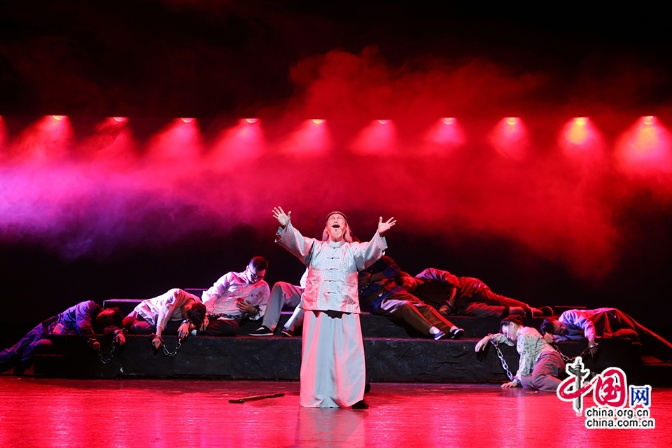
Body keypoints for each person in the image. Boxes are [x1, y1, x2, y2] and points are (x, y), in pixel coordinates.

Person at [273, 206, 395, 409]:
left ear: (345, 228)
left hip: (345, 307)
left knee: (349, 353)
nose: (336, 219)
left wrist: (379, 234)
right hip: (317, 307)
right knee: (316, 354)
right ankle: (316, 394)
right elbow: (298, 243)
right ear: (327, 228)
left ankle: (352, 397)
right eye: (332, 218)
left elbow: (369, 253)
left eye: (340, 218)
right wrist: (287, 226)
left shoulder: (353, 250)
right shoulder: (315, 247)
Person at [1, 301, 125, 374]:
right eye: (104, 315)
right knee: (16, 350)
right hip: (48, 329)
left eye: (105, 321)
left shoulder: (101, 325)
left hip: (58, 339)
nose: (102, 319)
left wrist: (118, 332)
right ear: (106, 309)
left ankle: (20, 368)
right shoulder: (87, 306)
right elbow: (82, 325)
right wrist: (92, 340)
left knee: (36, 346)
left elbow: (111, 328)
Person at [359, 255, 464, 339]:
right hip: (379, 299)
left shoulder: (375, 258)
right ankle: (431, 331)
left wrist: (372, 277)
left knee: (423, 307)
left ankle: (450, 329)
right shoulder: (354, 269)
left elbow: (394, 269)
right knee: (405, 306)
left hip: (394, 290)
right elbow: (354, 290)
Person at [397, 269, 548, 318]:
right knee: (483, 311)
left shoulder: (428, 273)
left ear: (408, 275)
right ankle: (522, 311)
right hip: (461, 305)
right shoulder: (417, 297)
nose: (408, 285)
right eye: (405, 287)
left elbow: (453, 282)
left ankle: (529, 307)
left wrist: (449, 304)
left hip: (468, 287)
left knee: (494, 299)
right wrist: (444, 309)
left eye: (406, 281)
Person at [541, 308, 672, 361]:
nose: (563, 329)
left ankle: (668, 353)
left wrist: (591, 341)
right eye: (560, 331)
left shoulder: (568, 316)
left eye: (561, 326)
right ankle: (666, 357)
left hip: (611, 317)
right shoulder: (560, 334)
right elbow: (553, 339)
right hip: (606, 331)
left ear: (557, 320)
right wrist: (547, 338)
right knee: (633, 335)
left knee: (643, 333)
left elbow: (586, 323)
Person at [475, 316, 564, 391]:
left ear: (512, 325)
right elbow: (504, 338)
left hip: (548, 357)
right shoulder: (521, 336)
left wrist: (516, 381)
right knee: (525, 380)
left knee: (538, 378)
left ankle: (569, 387)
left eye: (506, 332)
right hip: (543, 362)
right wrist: (489, 338)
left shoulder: (525, 334)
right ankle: (551, 383)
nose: (507, 336)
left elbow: (526, 359)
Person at [199, 256, 271, 336]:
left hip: (227, 321)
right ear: (247, 268)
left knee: (232, 328)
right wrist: (205, 314)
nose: (256, 279)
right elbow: (212, 293)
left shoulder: (263, 287)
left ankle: (196, 331)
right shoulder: (232, 276)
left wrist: (253, 311)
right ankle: (197, 328)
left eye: (260, 277)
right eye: (253, 275)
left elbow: (265, 307)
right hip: (211, 312)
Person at [123, 288, 206, 349]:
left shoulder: (197, 302)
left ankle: (133, 327)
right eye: (188, 318)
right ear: (187, 309)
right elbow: (163, 316)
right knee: (124, 323)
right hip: (147, 310)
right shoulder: (176, 295)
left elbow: (199, 315)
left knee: (137, 327)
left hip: (156, 322)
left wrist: (187, 322)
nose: (188, 321)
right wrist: (158, 336)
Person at [250, 270, 307, 337]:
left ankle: (289, 327)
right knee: (279, 286)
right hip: (303, 290)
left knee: (310, 294)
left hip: (314, 295)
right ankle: (267, 326)